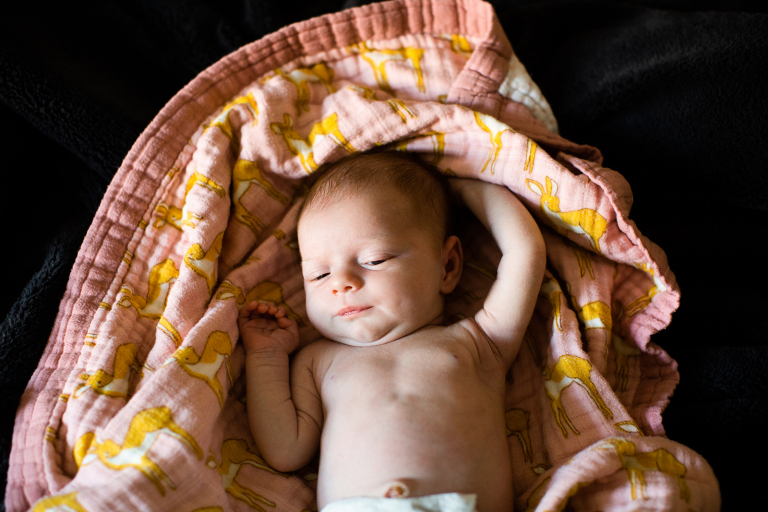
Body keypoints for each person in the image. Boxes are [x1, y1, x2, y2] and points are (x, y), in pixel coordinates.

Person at [238, 150, 546, 512]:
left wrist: (466, 185)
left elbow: (525, 252)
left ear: (447, 266)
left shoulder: (481, 342)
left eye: (374, 260)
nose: (341, 283)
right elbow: (285, 449)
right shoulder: (316, 361)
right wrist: (265, 357)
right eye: (319, 275)